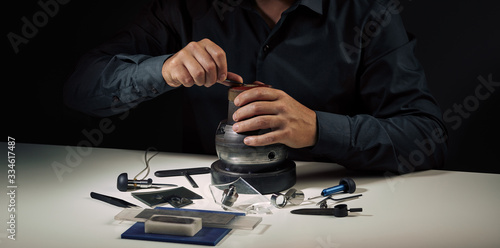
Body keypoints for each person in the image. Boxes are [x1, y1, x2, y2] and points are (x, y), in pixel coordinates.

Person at [64, 0, 447, 174]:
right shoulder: (186, 8)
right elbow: (81, 89)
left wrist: (316, 127)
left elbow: (426, 137)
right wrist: (163, 69)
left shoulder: (368, 12)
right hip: (209, 205)